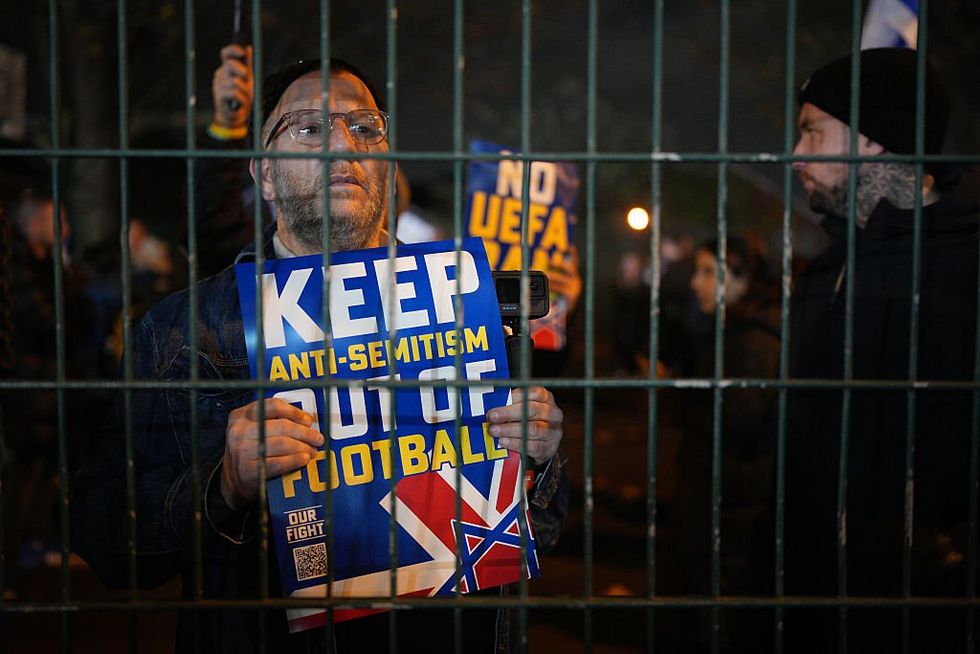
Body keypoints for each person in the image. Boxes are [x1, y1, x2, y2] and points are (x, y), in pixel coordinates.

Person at [72, 58, 569, 653]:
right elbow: (105, 539)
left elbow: (540, 528)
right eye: (308, 128)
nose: (342, 145)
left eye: (364, 127)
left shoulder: (471, 308)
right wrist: (224, 487)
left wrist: (538, 459)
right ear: (266, 175)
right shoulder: (187, 330)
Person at [784, 48, 978, 652]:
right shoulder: (824, 272)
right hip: (810, 608)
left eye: (813, 132)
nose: (796, 155)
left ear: (871, 138)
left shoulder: (965, 270)